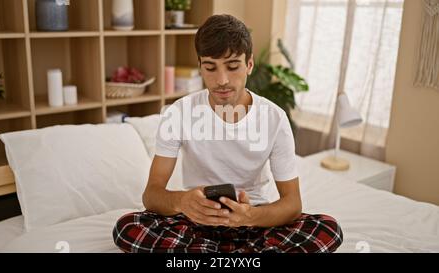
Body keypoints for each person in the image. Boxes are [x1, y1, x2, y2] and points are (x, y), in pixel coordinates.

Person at [113, 14, 343, 253]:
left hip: (254, 222)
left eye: (233, 67)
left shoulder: (274, 118)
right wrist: (182, 201)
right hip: (196, 221)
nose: (222, 80)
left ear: (249, 65)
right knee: (127, 226)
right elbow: (152, 195)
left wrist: (250, 216)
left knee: (328, 228)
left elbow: (292, 204)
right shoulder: (178, 113)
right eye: (210, 67)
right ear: (200, 67)